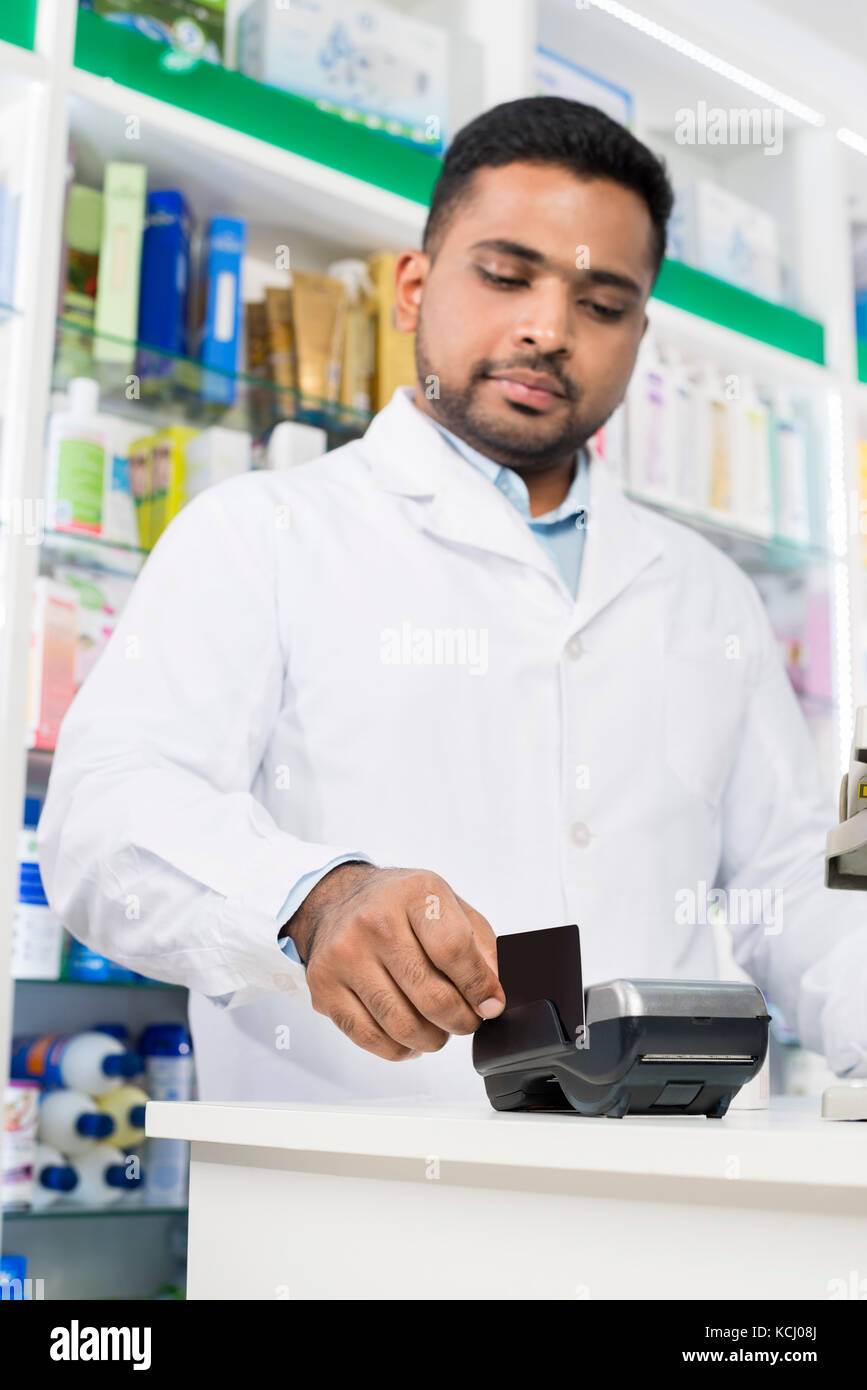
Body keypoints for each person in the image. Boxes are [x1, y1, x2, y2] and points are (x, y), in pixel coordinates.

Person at [38, 97, 867, 1103]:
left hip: (665, 1201)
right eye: (507, 275)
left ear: (640, 335)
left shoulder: (708, 595)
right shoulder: (260, 533)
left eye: (602, 304)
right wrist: (314, 898)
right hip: (348, 1206)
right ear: (414, 287)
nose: (548, 328)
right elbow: (102, 817)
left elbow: (791, 885)